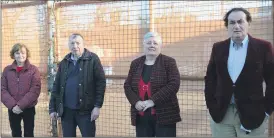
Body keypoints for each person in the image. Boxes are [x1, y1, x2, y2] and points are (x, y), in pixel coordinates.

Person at [204, 7, 274, 137]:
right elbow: (210, 78)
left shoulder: (263, 47)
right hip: (222, 114)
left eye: (240, 21)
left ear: (248, 24)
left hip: (253, 115)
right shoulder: (218, 48)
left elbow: (272, 79)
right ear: (227, 26)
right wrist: (211, 105)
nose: (236, 26)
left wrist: (267, 110)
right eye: (232, 22)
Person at [124, 32, 181, 137]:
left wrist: (152, 101)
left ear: (160, 46)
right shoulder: (135, 63)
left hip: (165, 115)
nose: (152, 45)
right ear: (144, 44)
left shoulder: (169, 62)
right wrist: (135, 102)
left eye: (155, 43)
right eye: (149, 43)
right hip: (141, 115)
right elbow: (127, 85)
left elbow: (174, 84)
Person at [49, 33, 106, 137]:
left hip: (86, 111)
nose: (75, 46)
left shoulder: (92, 59)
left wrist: (97, 106)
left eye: (77, 43)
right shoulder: (64, 62)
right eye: (72, 43)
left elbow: (101, 83)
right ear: (69, 45)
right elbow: (56, 85)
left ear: (83, 44)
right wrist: (52, 108)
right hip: (66, 112)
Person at [1, 43, 41, 137]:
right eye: (17, 53)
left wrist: (20, 105)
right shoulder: (7, 70)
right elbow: (2, 89)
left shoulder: (34, 70)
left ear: (27, 54)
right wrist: (13, 105)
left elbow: (35, 90)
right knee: (15, 133)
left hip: (28, 108)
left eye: (23, 53)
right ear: (13, 55)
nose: (20, 55)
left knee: (29, 133)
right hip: (13, 108)